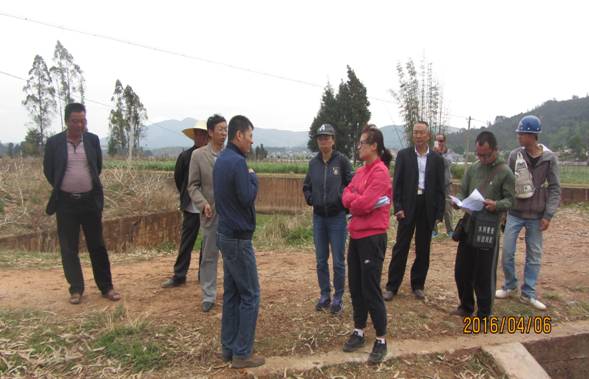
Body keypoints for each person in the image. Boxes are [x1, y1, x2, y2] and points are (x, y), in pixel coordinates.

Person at [43, 102, 121, 305]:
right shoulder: (54, 143)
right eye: (75, 121)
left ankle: (106, 287)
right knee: (69, 248)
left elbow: (98, 167)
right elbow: (49, 171)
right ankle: (76, 289)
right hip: (65, 204)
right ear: (67, 121)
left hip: (89, 202)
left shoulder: (93, 140)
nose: (79, 125)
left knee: (97, 245)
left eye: (83, 121)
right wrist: (67, 186)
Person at [213, 115, 264, 369]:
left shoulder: (222, 160)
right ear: (239, 136)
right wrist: (254, 179)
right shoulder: (238, 163)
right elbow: (246, 198)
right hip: (238, 240)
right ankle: (242, 353)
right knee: (251, 295)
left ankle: (228, 347)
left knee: (233, 293)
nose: (252, 142)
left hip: (225, 234)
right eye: (250, 136)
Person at [496, 115, 561, 310]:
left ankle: (529, 292)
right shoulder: (515, 155)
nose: (518, 137)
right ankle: (509, 285)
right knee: (507, 251)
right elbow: (506, 184)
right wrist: (504, 211)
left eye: (521, 133)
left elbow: (555, 188)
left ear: (532, 136)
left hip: (537, 215)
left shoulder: (549, 159)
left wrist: (548, 215)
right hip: (515, 212)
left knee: (534, 255)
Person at [341, 125, 392, 364]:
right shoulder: (361, 172)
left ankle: (381, 338)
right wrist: (356, 201)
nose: (358, 146)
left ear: (374, 146)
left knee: (371, 289)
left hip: (372, 238)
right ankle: (359, 330)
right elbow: (347, 196)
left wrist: (356, 202)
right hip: (357, 237)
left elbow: (363, 203)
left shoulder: (380, 172)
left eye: (362, 142)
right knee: (356, 286)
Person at [452, 131, 515, 318]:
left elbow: (512, 200)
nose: (482, 158)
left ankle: (485, 313)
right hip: (469, 224)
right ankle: (465, 306)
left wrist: (497, 205)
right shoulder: (473, 169)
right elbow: (463, 191)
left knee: (484, 274)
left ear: (495, 150)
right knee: (462, 270)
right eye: (479, 154)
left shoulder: (505, 172)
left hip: (488, 227)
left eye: (486, 155)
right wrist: (458, 202)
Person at [384, 121, 445, 301]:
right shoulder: (404, 156)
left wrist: (439, 213)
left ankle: (418, 284)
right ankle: (392, 286)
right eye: (415, 132)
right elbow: (397, 184)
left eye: (421, 133)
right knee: (401, 247)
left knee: (423, 247)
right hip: (408, 206)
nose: (418, 135)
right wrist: (398, 207)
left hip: (427, 206)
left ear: (428, 135)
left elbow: (441, 187)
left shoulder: (436, 159)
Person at [303, 123, 353, 314]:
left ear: (333, 140)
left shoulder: (342, 161)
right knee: (320, 260)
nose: (324, 140)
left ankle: (338, 298)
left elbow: (351, 184)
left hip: (337, 218)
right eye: (320, 137)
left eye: (327, 137)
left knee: (339, 261)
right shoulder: (313, 163)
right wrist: (310, 198)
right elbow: (307, 185)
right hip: (319, 218)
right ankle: (325, 295)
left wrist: (343, 201)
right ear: (317, 141)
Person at [161, 120, 209, 288]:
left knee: (207, 241)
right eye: (198, 133)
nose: (200, 137)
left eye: (204, 133)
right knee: (187, 241)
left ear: (209, 136)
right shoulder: (185, 157)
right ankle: (179, 275)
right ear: (194, 136)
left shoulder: (213, 157)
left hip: (209, 207)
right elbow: (179, 179)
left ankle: (204, 274)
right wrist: (188, 196)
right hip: (191, 206)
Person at [187, 114, 227, 312]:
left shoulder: (231, 154)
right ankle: (209, 295)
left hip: (230, 215)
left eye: (226, 129)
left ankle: (231, 292)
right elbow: (192, 186)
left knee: (231, 255)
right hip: (210, 213)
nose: (224, 133)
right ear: (210, 132)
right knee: (210, 255)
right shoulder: (198, 156)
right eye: (220, 129)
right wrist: (202, 204)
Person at [433, 133, 454, 237]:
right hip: (434, 184)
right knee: (432, 206)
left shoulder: (448, 152)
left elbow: (447, 163)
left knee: (447, 208)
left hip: (446, 184)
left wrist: (440, 154)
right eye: (437, 140)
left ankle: (450, 230)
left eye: (441, 141)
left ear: (444, 142)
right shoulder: (431, 153)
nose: (439, 143)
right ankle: (434, 230)